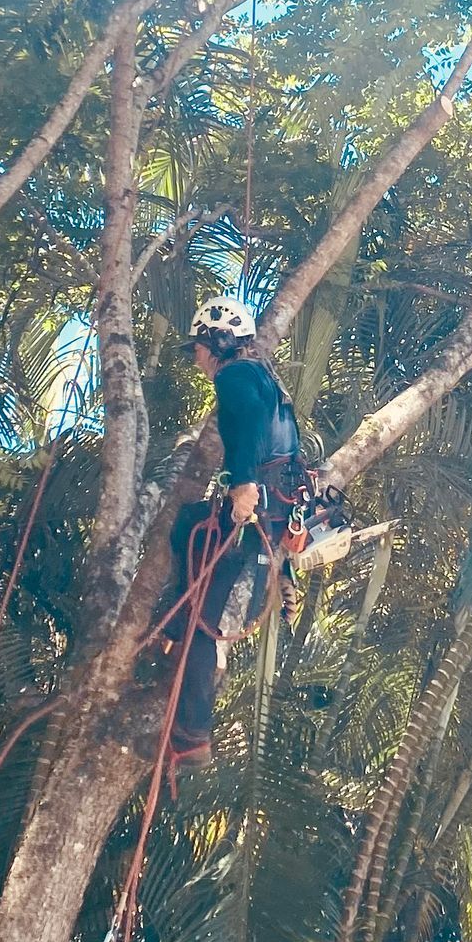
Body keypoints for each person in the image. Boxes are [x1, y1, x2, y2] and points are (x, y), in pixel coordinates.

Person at [152, 294, 308, 770]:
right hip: (276, 509)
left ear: (218, 343)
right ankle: (171, 626)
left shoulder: (237, 376)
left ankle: (190, 736)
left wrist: (243, 485)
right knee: (188, 534)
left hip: (258, 505)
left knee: (201, 617)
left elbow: (251, 429)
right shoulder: (264, 377)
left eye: (199, 347)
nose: (197, 357)